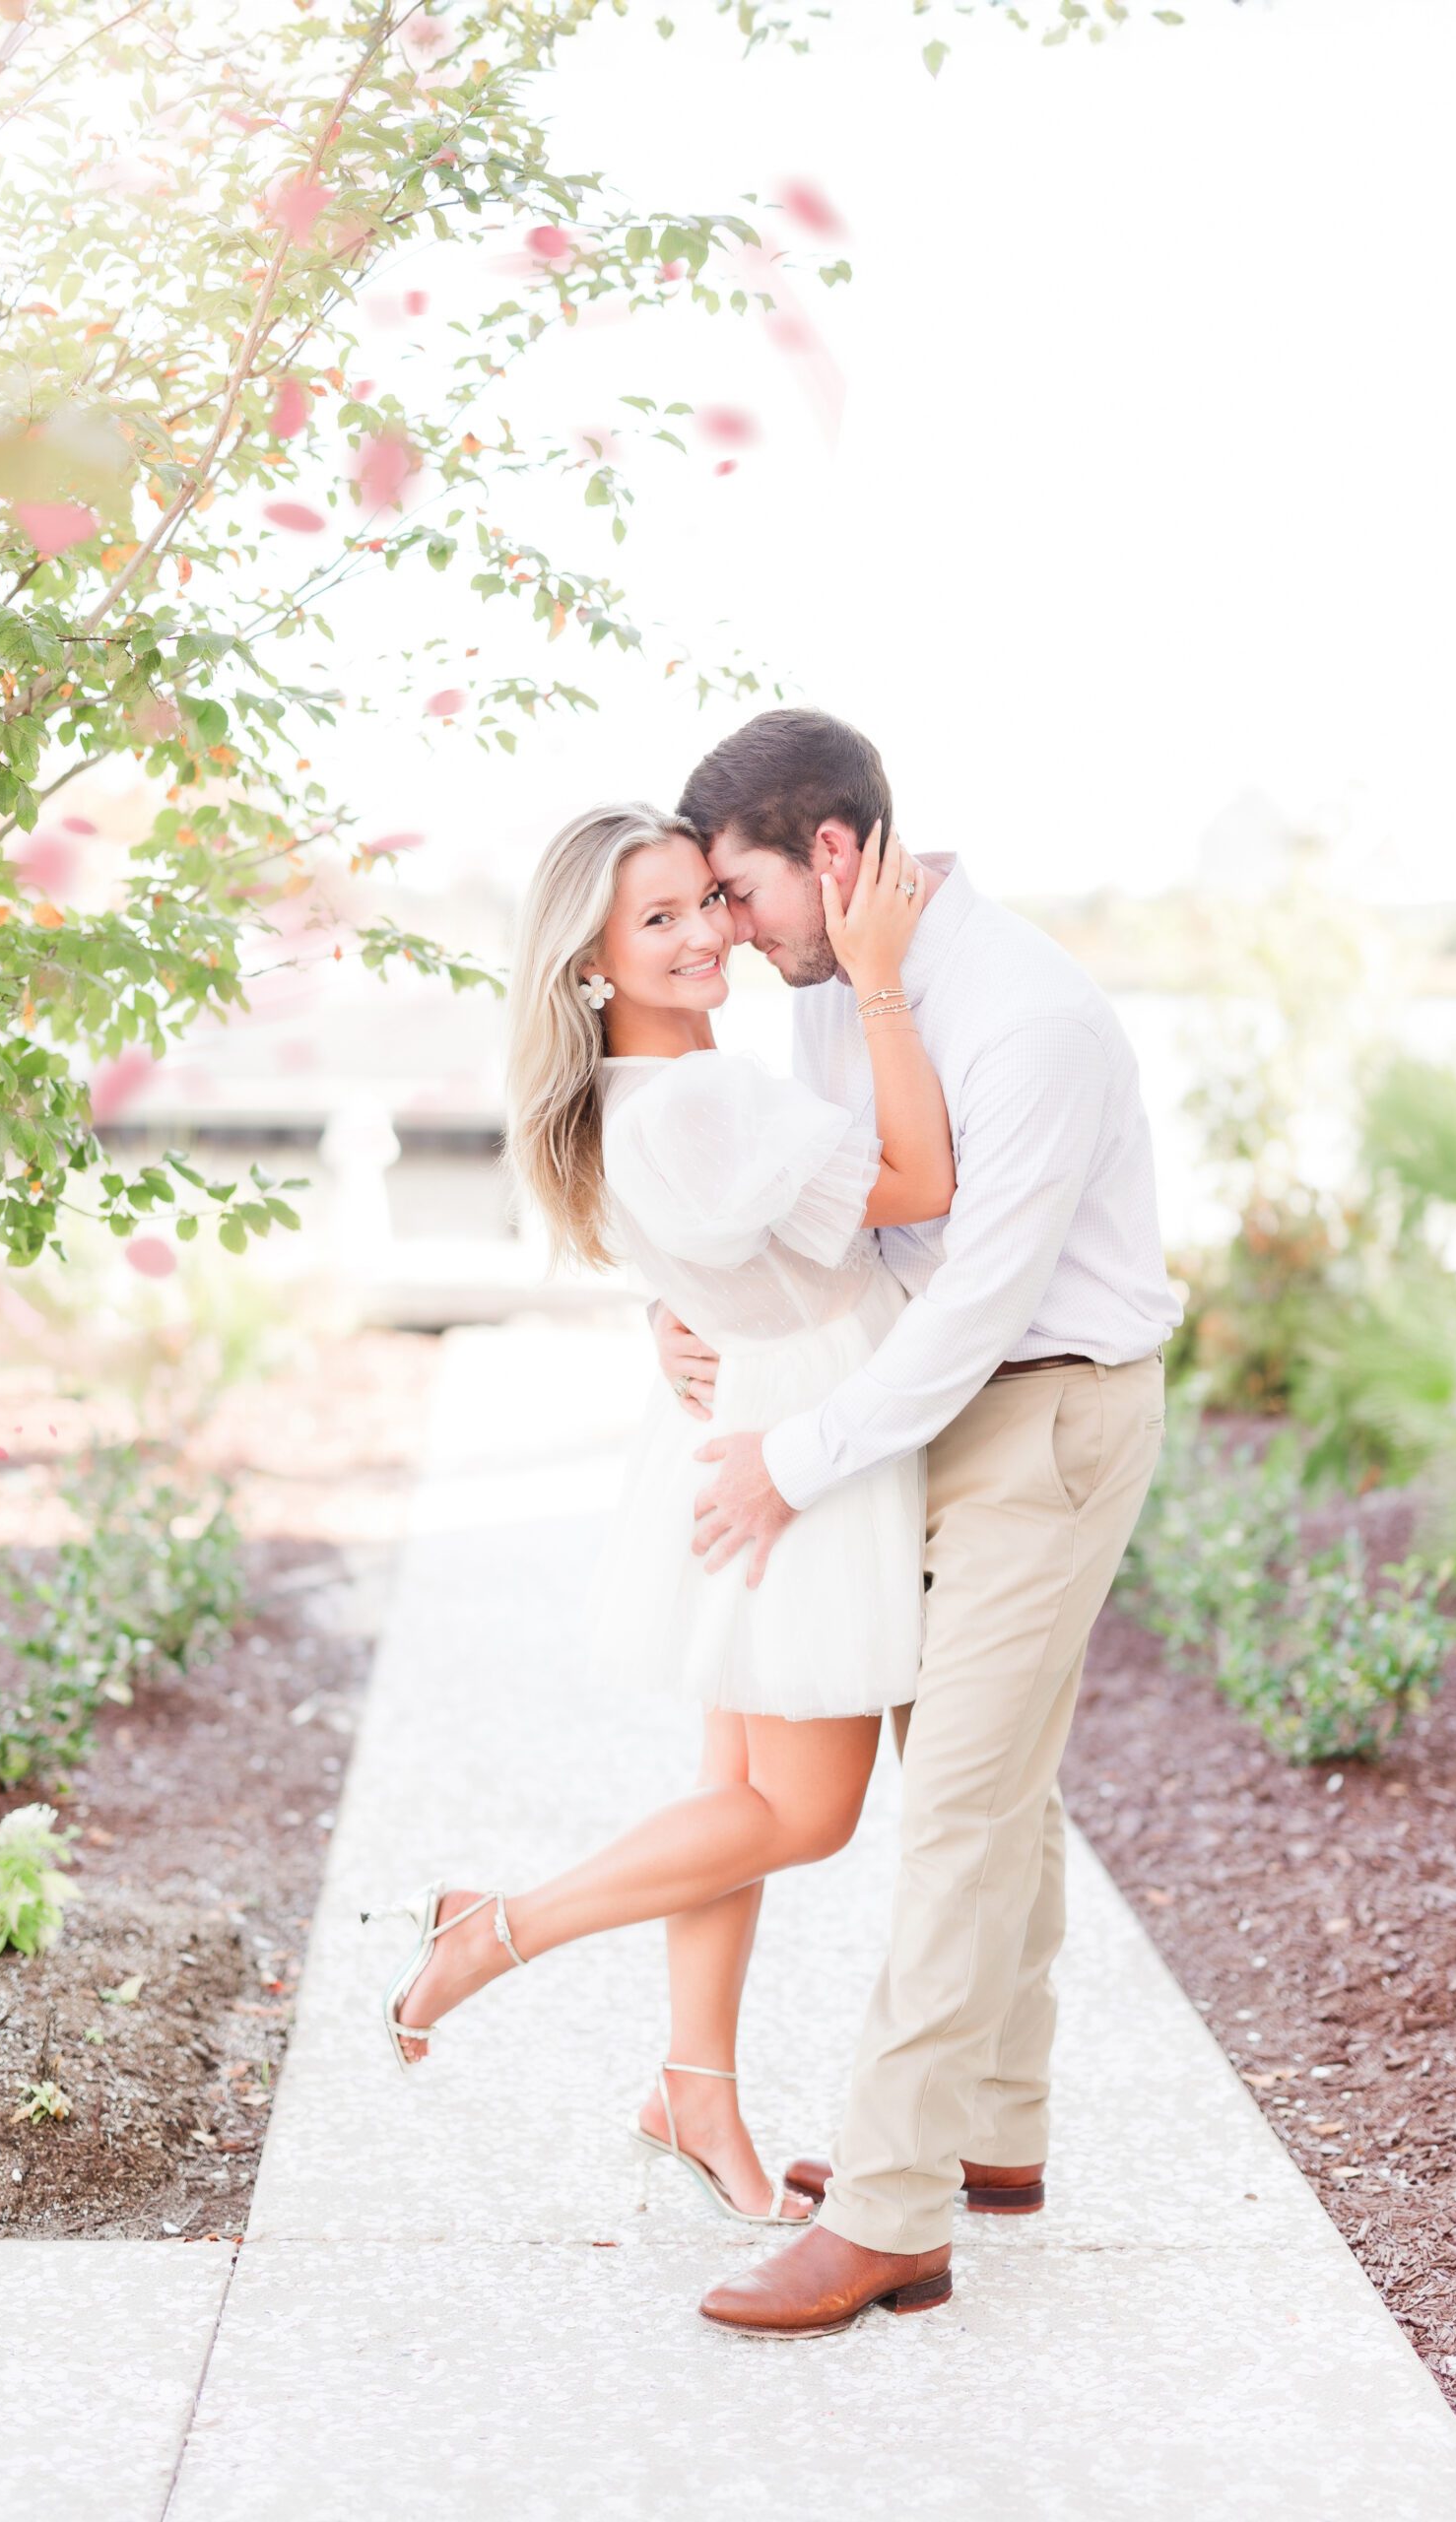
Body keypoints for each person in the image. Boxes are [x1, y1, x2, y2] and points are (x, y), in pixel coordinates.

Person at [652, 708, 1183, 2335]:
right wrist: (713, 1324)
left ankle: (893, 2207)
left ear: (831, 854)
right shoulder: (841, 990)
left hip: (1047, 1417)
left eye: (736, 896)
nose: (728, 937)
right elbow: (873, 1221)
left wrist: (789, 1459)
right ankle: (993, 2133)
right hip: (924, 1412)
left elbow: (976, 1309)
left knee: (953, 1806)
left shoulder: (1028, 1019)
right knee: (993, 1791)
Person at [363, 798, 954, 2231]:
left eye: (706, 901)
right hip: (796, 1439)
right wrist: (878, 977)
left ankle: (695, 2085)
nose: (707, 937)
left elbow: (713, 1245)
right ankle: (497, 1929)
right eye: (661, 920)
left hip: (745, 1407)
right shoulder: (702, 1094)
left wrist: (672, 1310)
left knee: (732, 1806)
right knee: (799, 1816)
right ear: (591, 962)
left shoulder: (642, 1095)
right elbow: (924, 1184)